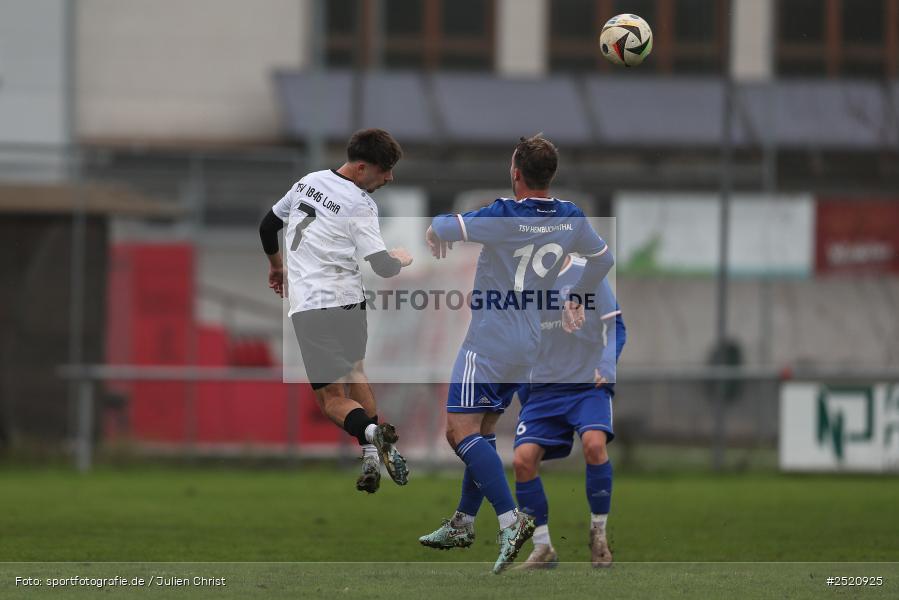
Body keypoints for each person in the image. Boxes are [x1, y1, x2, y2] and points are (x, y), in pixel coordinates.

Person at [419, 135, 615, 573]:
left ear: (516, 174)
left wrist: (434, 228)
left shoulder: (503, 215)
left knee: (458, 431)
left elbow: (446, 225)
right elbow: (603, 260)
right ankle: (463, 521)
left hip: (489, 338)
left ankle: (510, 520)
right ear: (552, 176)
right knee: (485, 429)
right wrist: (579, 294)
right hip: (529, 344)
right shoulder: (571, 218)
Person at [258, 128, 412, 494]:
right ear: (361, 168)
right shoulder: (361, 204)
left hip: (312, 306)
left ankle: (373, 435)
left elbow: (268, 226)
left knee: (331, 401)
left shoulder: (306, 183)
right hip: (348, 302)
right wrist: (400, 258)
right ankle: (372, 456)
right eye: (384, 170)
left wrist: (276, 266)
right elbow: (383, 266)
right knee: (355, 371)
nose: (389, 177)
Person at [513, 254, 626, 569]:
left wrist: (606, 364)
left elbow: (616, 326)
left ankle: (599, 534)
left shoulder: (587, 274)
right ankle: (543, 548)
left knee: (594, 444)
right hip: (543, 393)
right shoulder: (524, 281)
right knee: (522, 461)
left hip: (585, 387)